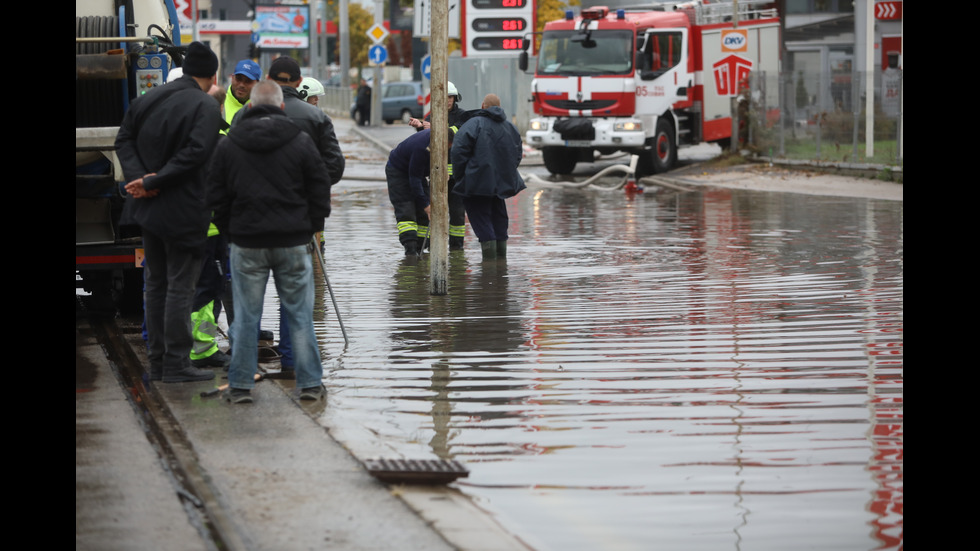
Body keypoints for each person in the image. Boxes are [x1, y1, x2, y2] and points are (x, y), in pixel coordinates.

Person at [207, 80, 333, 403]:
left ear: (250, 106)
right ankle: (310, 385)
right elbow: (320, 189)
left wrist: (232, 232)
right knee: (300, 315)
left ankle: (240, 387)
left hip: (247, 243)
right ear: (281, 107)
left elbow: (215, 195)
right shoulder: (301, 142)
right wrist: (309, 228)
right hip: (292, 242)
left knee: (247, 317)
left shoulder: (230, 143)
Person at [115, 41, 222, 383]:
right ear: (213, 76)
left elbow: (123, 140)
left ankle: (158, 362)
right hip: (184, 211)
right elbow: (196, 153)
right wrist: (154, 180)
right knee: (180, 287)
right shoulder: (205, 105)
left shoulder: (147, 99)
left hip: (147, 209)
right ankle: (176, 363)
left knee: (156, 284)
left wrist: (140, 179)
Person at [230, 55, 345, 372]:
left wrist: (230, 221)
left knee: (248, 304)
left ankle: (244, 373)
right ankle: (294, 367)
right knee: (294, 301)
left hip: (248, 226)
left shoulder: (242, 116)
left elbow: (223, 172)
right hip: (297, 225)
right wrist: (312, 213)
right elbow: (332, 168)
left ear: (267, 80)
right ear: (299, 82)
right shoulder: (315, 117)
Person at [450, 93, 525, 260]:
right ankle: (501, 264)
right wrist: (505, 172)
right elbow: (517, 154)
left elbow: (458, 152)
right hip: (500, 184)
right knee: (499, 217)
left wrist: (462, 176)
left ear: (483, 106)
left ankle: (489, 265)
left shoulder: (473, 124)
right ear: (499, 107)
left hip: (476, 183)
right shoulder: (510, 127)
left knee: (481, 218)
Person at [408, 81, 467, 251]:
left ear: (455, 98)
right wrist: (421, 126)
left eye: (450, 97)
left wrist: (434, 127)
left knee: (457, 214)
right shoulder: (432, 116)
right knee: (431, 212)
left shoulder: (463, 116)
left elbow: (455, 133)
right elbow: (426, 139)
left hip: (457, 177)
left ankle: (456, 249)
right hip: (436, 175)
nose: (447, 100)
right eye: (444, 97)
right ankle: (426, 246)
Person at [385, 128, 454, 255]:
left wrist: (443, 170)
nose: (447, 150)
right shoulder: (422, 148)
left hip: (417, 172)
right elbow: (414, 180)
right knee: (406, 209)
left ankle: (421, 248)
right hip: (398, 172)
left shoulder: (439, 140)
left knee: (423, 214)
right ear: (441, 142)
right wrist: (426, 206)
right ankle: (410, 251)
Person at [222, 59, 261, 132]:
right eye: (238, 79)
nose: (242, 85)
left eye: (248, 81)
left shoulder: (262, 109)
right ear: (232, 78)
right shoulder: (218, 102)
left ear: (257, 84)